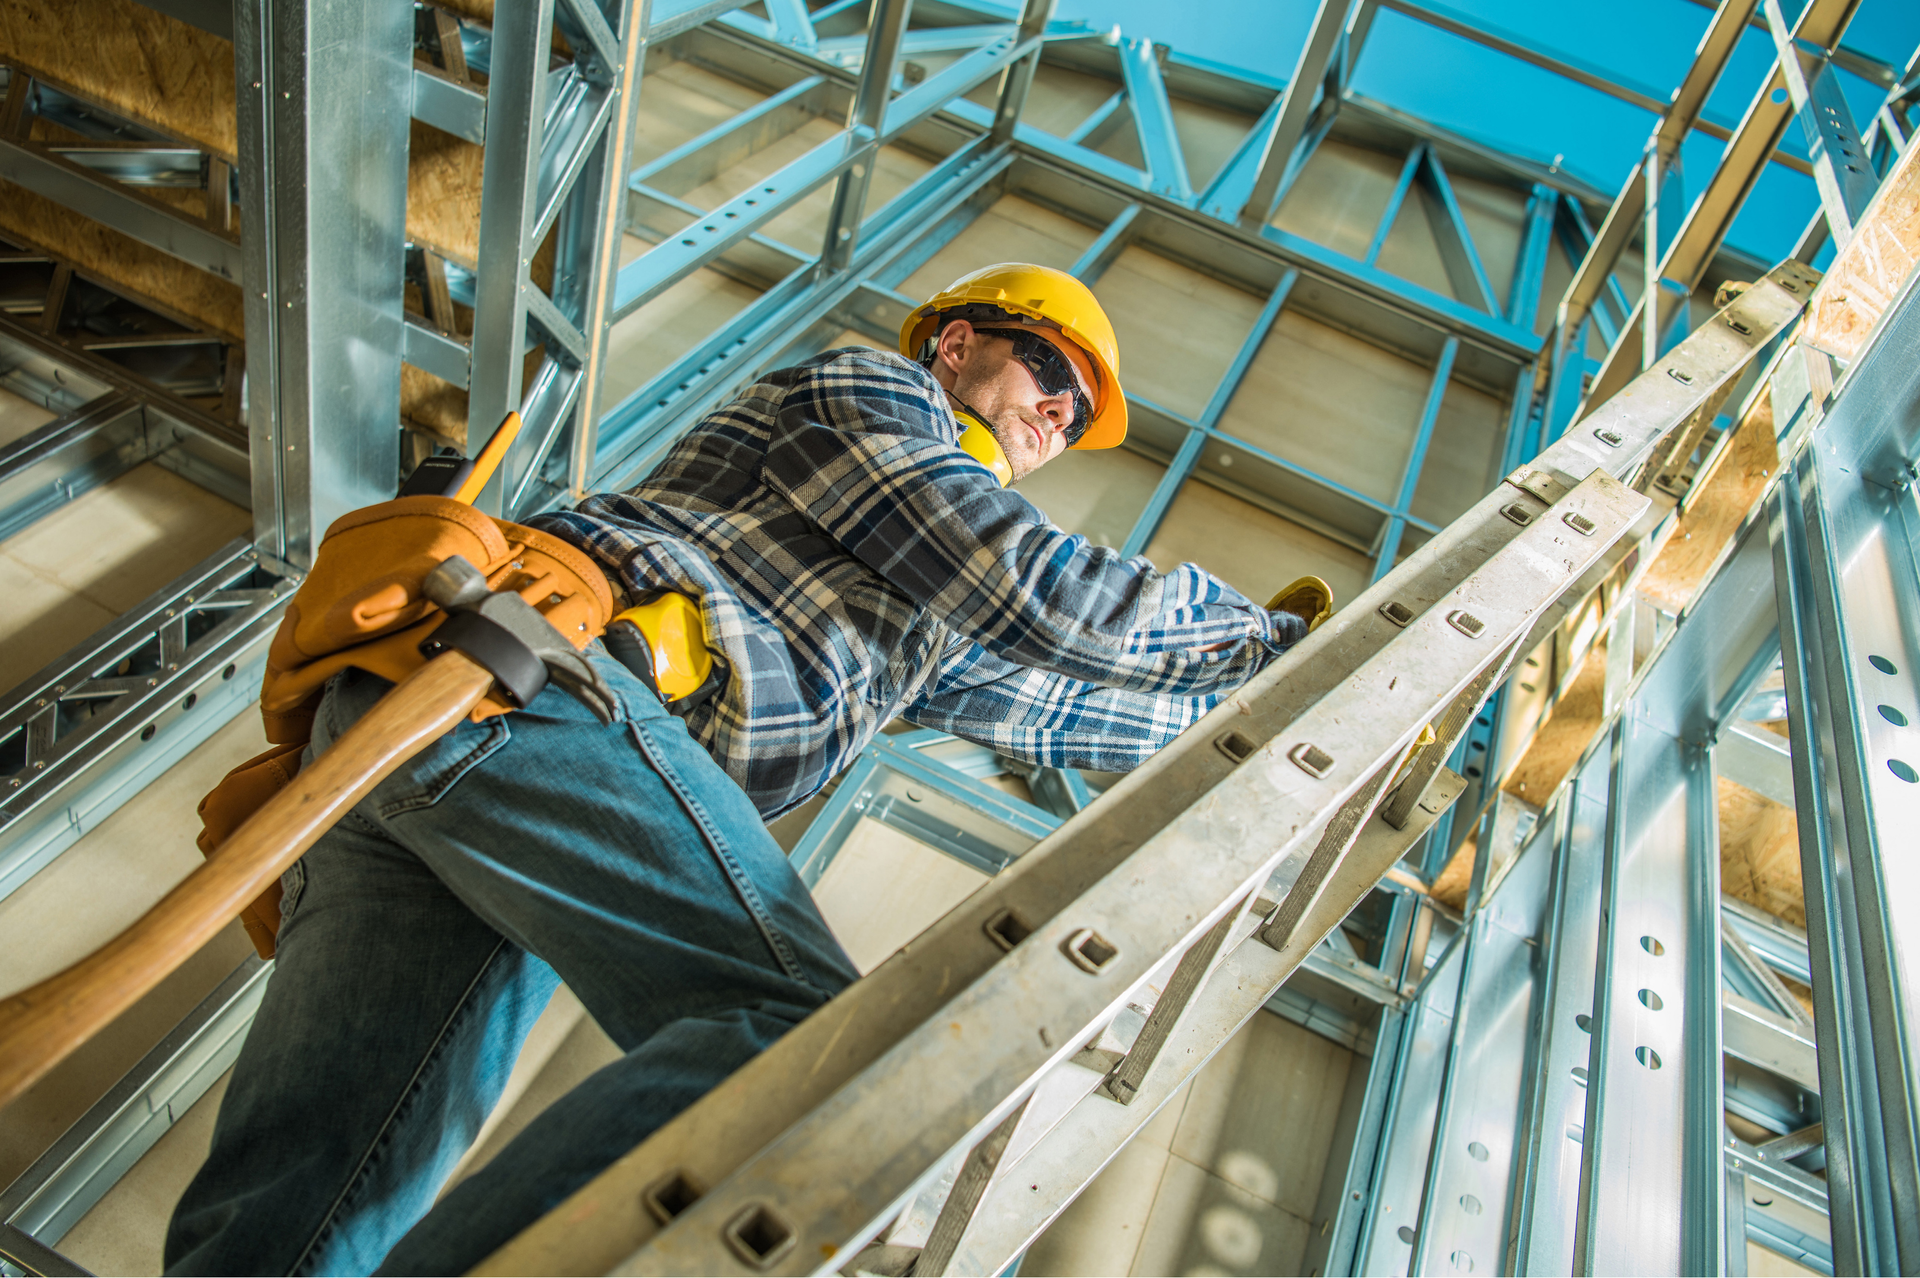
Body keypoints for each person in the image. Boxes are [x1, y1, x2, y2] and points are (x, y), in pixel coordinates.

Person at [163, 264, 1320, 1276]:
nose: (1060, 415)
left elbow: (1060, 704)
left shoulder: (923, 615)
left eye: (1076, 417)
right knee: (800, 1053)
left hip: (476, 757)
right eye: (1051, 372)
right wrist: (1262, 638)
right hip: (532, 689)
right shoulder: (871, 392)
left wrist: (1267, 709)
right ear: (959, 344)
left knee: (305, 1206)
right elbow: (1033, 589)